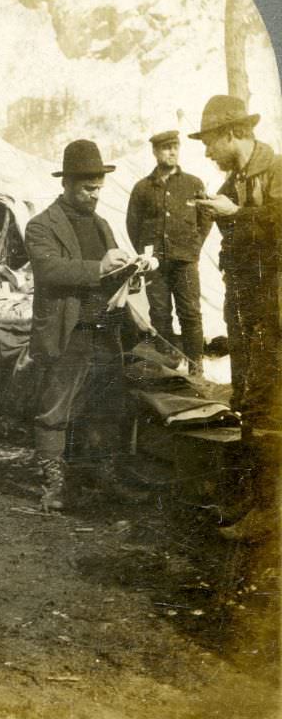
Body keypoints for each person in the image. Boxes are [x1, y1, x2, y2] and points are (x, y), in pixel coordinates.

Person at [25, 140, 135, 512]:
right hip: (67, 329)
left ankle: (98, 476)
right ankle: (52, 485)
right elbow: (49, 269)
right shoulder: (41, 225)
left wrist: (130, 273)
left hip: (104, 328)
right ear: (67, 184)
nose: (95, 195)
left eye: (99, 187)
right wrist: (100, 268)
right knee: (55, 407)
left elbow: (111, 266)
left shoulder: (102, 225)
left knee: (105, 405)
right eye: (88, 188)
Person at [191, 95, 282, 541]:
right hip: (247, 313)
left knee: (271, 409)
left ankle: (270, 515)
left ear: (233, 134)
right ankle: (255, 502)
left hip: (276, 314)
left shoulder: (278, 171)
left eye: (210, 142)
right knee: (248, 402)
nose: (207, 152)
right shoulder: (234, 182)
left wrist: (237, 216)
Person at [126, 130, 211, 374]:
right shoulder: (142, 188)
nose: (172, 151)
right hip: (156, 264)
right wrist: (146, 254)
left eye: (175, 146)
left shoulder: (193, 183)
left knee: (190, 313)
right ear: (155, 152)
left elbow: (205, 217)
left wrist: (194, 246)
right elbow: (133, 224)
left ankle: (196, 367)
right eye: (165, 147)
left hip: (185, 261)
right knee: (160, 313)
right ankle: (169, 365)